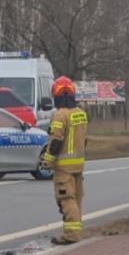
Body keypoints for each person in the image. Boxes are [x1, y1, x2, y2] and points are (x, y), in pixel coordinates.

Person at [41, 76, 87, 245]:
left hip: (64, 168)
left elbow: (56, 142)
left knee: (67, 200)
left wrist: (47, 161)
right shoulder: (81, 114)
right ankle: (76, 230)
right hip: (78, 165)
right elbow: (84, 140)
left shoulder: (59, 116)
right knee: (76, 199)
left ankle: (71, 235)